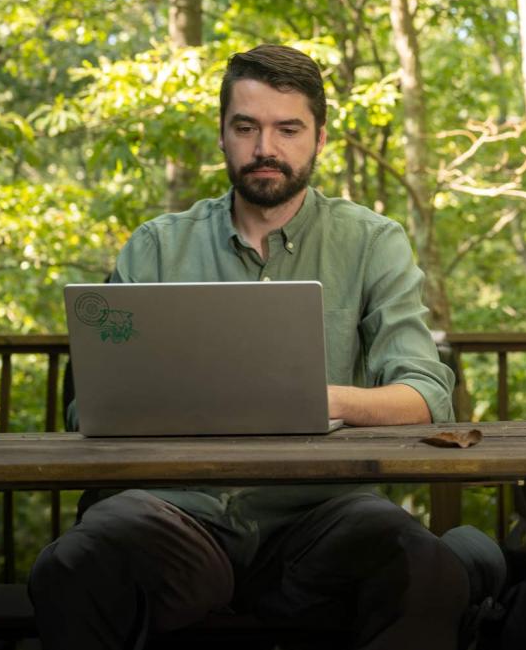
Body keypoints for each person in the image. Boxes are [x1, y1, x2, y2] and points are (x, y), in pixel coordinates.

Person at [29, 44, 472, 650]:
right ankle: (483, 568)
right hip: (174, 514)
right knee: (76, 562)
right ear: (222, 136)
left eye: (288, 129)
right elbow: (91, 409)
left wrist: (306, 399)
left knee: (424, 565)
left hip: (320, 518)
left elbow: (426, 397)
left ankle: (473, 568)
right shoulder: (156, 248)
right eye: (247, 127)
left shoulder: (372, 242)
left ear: (318, 138)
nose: (266, 147)